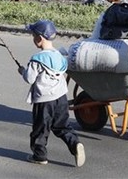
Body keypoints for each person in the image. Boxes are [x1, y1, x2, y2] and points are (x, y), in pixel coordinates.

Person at [17, 19, 85, 166]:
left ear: (39, 39)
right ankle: (75, 144)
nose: (33, 39)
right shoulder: (59, 55)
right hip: (61, 98)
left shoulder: (37, 59)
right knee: (62, 126)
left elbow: (29, 79)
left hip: (44, 100)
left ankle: (39, 156)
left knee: (40, 129)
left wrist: (22, 70)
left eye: (33, 36)